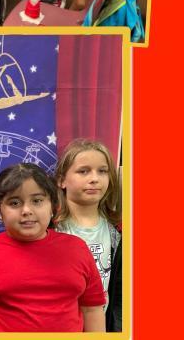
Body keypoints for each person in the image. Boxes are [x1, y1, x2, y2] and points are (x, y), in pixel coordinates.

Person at [0, 163, 105, 332]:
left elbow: (92, 309)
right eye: (14, 203)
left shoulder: (77, 248)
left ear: (53, 206)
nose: (26, 210)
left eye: (37, 201)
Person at [54, 139, 122, 331]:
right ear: (61, 180)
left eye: (102, 171)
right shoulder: (48, 229)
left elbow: (121, 297)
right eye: (83, 171)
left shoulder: (119, 231)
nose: (94, 178)